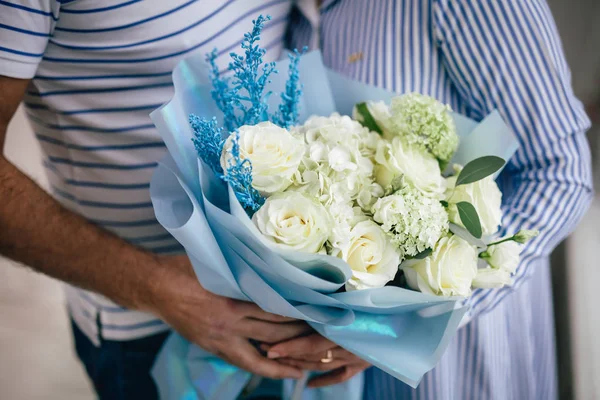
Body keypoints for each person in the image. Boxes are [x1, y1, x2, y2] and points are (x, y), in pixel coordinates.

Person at [0, 1, 593, 400]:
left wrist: (408, 322)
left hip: (447, 361)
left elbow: (560, 170)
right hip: (160, 328)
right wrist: (158, 288)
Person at [270, 0, 592, 399]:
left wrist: (413, 325)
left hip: (460, 367)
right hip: (331, 371)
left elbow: (560, 171)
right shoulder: (285, 19)